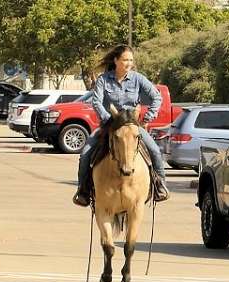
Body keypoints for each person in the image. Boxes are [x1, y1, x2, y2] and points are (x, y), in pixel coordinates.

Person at [73, 44, 170, 207]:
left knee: (154, 150)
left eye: (131, 60)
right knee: (85, 154)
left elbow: (157, 97)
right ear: (116, 60)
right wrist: (107, 119)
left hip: (132, 125)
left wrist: (147, 118)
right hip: (109, 125)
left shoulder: (138, 78)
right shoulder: (104, 79)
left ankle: (160, 186)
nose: (129, 63)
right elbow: (96, 101)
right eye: (125, 60)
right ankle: (83, 190)